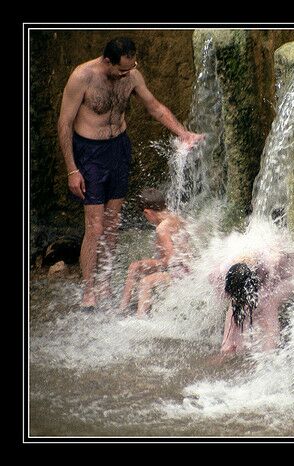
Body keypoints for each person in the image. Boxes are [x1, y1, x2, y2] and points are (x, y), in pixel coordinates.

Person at [58, 36, 205, 311]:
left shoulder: (132, 75)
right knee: (95, 226)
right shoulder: (83, 77)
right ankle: (89, 289)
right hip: (89, 153)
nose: (127, 73)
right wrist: (72, 169)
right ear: (107, 61)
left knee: (112, 223)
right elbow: (64, 123)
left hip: (119, 149)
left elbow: (155, 106)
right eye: (122, 69)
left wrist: (183, 133)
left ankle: (105, 282)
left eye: (131, 67)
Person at [208, 235, 294, 357]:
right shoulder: (224, 270)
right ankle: (227, 346)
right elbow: (232, 299)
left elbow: (265, 297)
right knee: (237, 306)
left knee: (268, 304)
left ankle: (269, 353)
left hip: (293, 272)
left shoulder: (271, 263)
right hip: (258, 272)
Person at [118, 188, 193, 317]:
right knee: (135, 266)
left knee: (146, 282)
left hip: (179, 273)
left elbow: (170, 260)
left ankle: (140, 318)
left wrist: (152, 263)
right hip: (186, 267)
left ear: (147, 212)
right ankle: (122, 310)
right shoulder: (175, 217)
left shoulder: (161, 229)